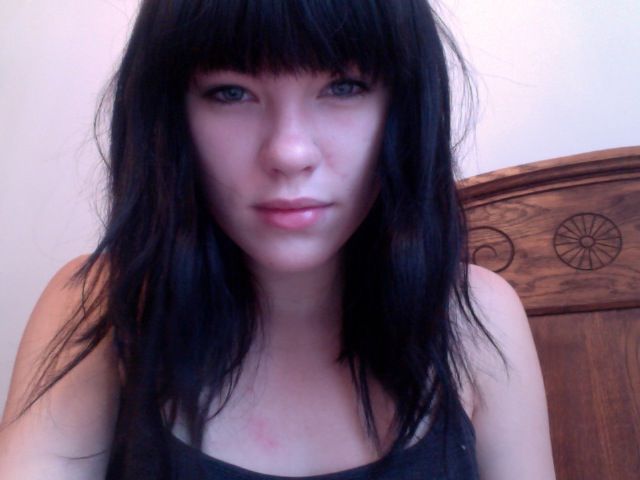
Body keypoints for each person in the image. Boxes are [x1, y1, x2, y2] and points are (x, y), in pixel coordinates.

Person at [0, 1, 555, 479]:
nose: (289, 152)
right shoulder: (98, 309)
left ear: (405, 109)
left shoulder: (478, 320)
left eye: (344, 87)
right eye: (231, 92)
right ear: (170, 115)